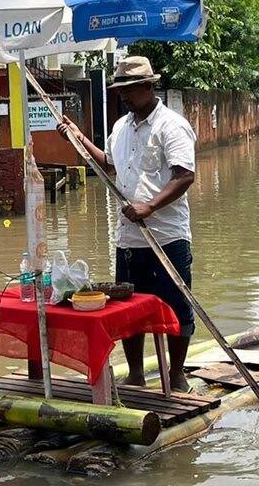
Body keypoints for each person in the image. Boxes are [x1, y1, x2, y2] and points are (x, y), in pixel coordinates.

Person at [57, 56, 197, 392]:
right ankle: (136, 374)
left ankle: (177, 376)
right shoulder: (120, 127)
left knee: (176, 308)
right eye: (120, 90)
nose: (124, 96)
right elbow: (109, 165)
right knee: (129, 311)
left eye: (130, 89)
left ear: (148, 87)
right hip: (129, 240)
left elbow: (185, 175)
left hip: (166, 238)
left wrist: (149, 206)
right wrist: (78, 138)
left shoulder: (171, 126)